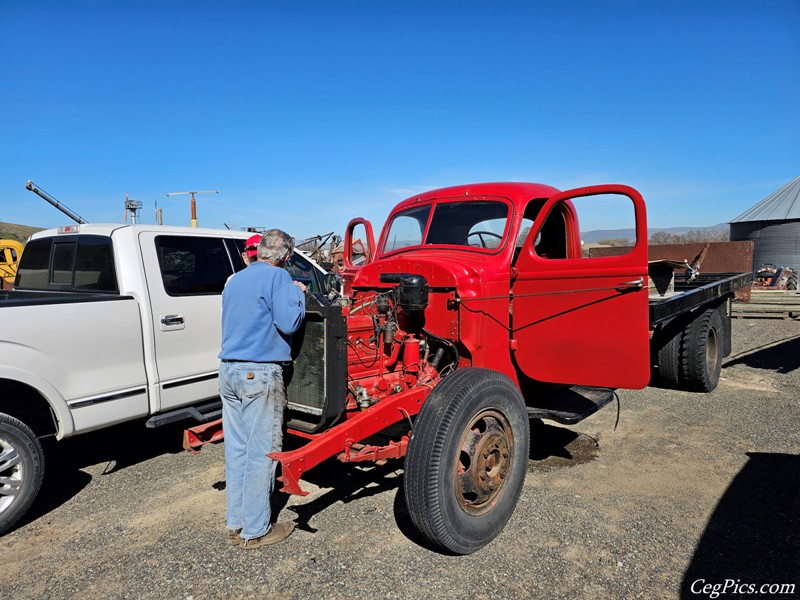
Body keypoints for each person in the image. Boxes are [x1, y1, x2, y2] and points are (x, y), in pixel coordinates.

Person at [219, 229, 306, 549]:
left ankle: (237, 522)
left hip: (228, 372)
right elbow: (289, 323)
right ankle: (256, 530)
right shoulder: (280, 279)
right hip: (258, 374)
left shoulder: (235, 280)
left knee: (237, 450)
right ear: (285, 256)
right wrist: (298, 292)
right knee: (261, 453)